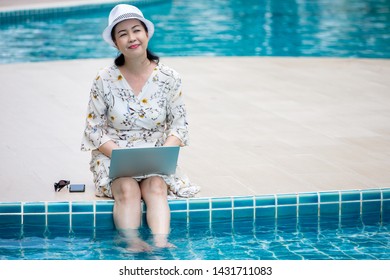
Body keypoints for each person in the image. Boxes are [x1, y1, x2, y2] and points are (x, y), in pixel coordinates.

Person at [81, 4, 200, 251]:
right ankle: (132, 242)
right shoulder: (103, 78)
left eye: (137, 30)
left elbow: (179, 125)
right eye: (122, 33)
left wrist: (163, 155)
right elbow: (94, 129)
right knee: (126, 186)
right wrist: (121, 157)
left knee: (155, 185)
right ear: (115, 42)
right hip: (113, 155)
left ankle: (160, 243)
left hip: (155, 154)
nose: (131, 38)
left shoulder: (169, 78)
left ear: (147, 34)